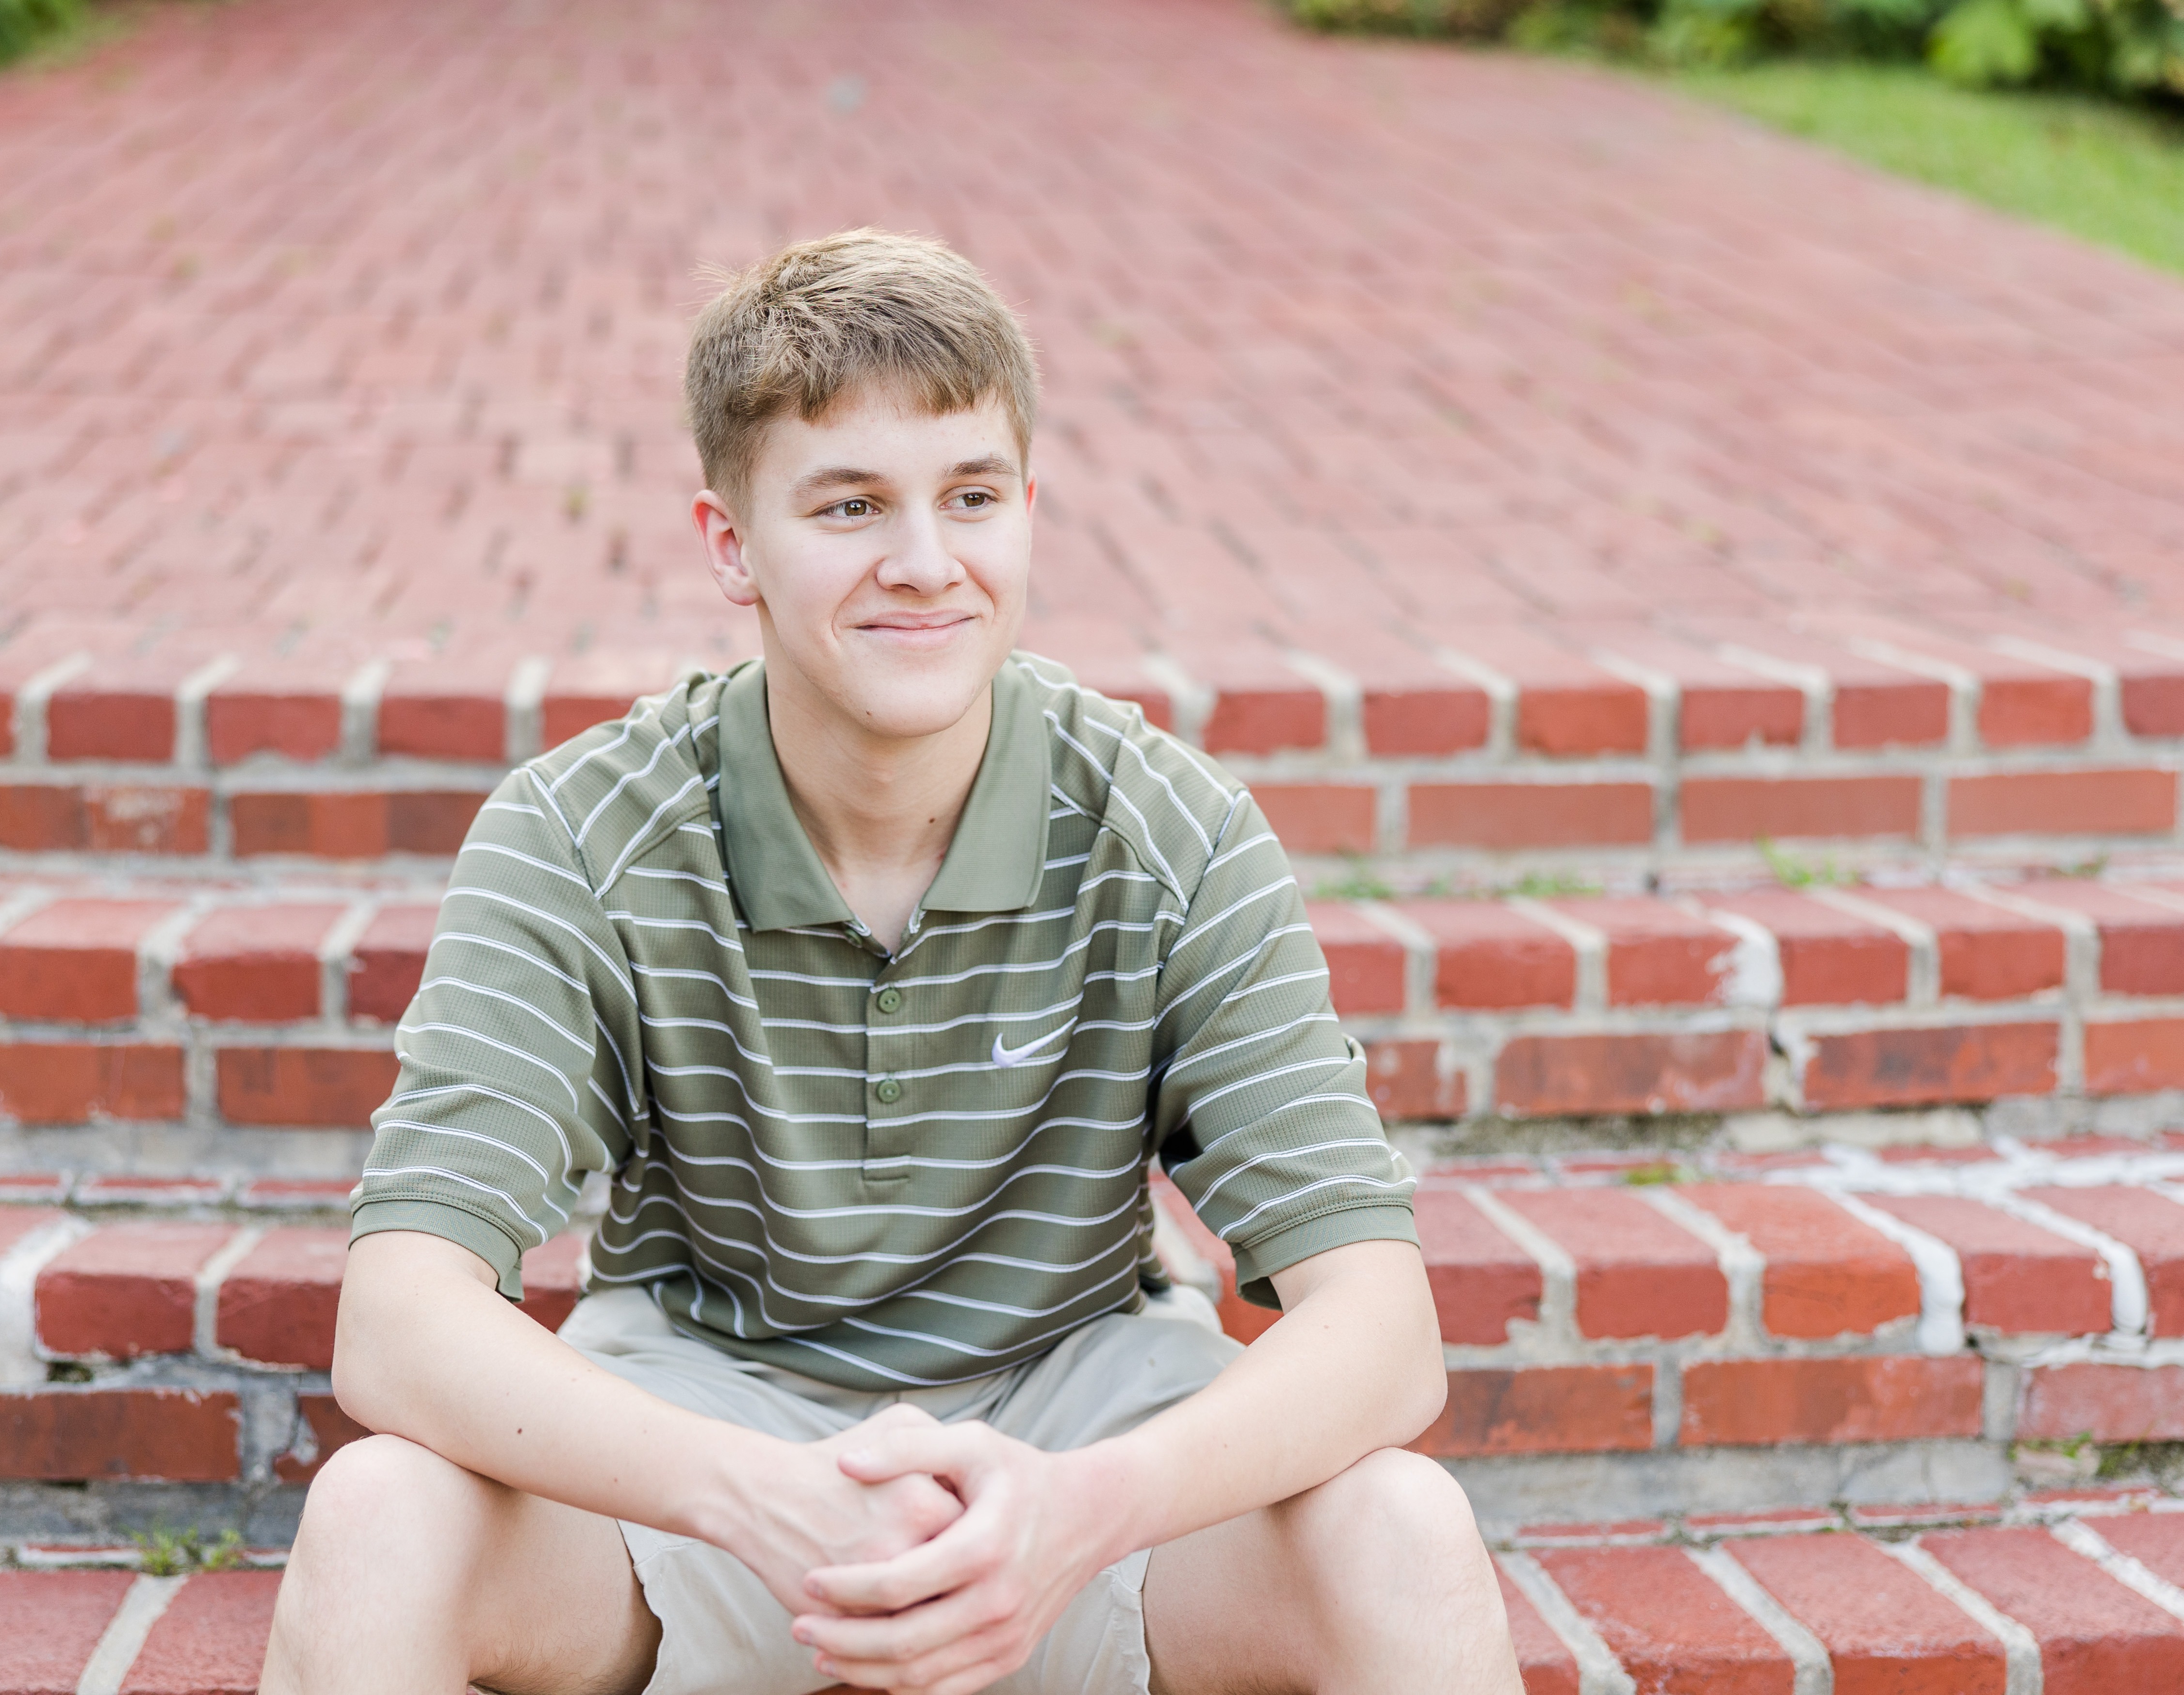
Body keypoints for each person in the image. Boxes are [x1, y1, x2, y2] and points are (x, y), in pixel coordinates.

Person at [261, 230, 1523, 1695]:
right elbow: (399, 1322)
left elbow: (1384, 1336)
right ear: (731, 544)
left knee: (1406, 1533)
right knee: (377, 1516)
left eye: (972, 497)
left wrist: (1078, 1512)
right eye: (850, 504)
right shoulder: (578, 833)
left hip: (1080, 1432)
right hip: (700, 1447)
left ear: (1030, 511)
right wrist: (752, 1494)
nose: (926, 566)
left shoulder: (1172, 826)